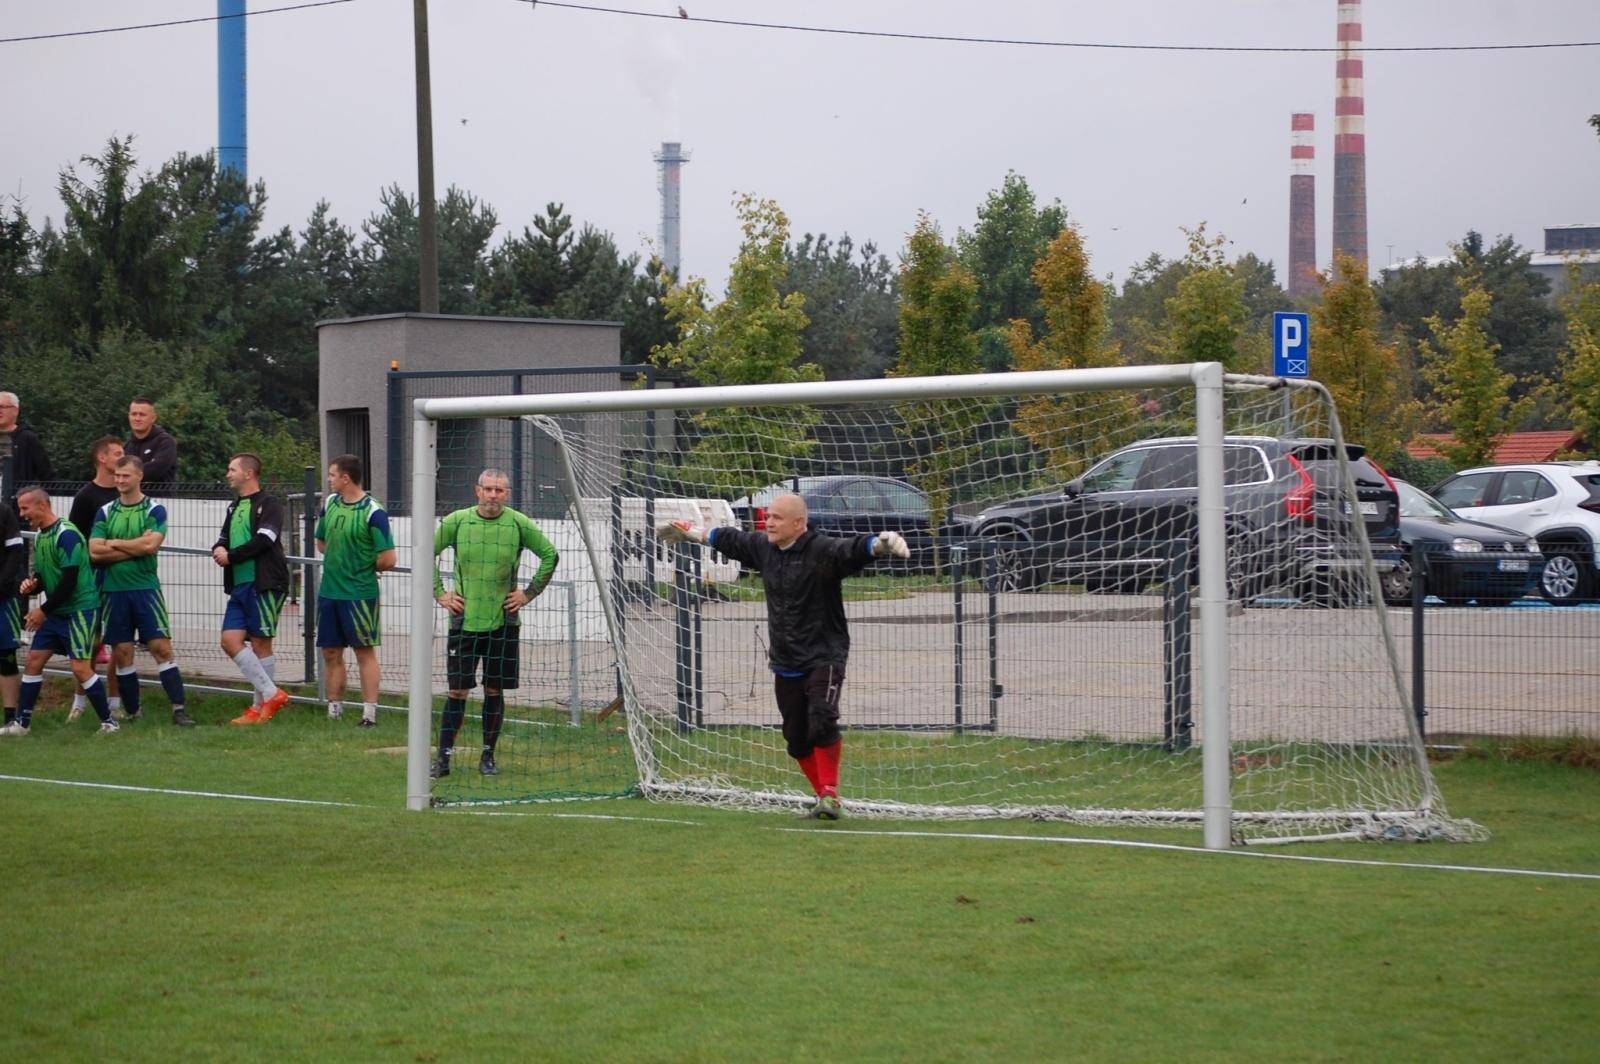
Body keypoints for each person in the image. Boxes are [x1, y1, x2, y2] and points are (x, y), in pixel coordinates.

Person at [656, 493, 908, 819]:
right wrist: (689, 531)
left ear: (798, 523)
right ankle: (825, 799)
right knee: (796, 739)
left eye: (776, 518)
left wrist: (879, 544)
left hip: (824, 655)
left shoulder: (820, 550)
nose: (769, 523)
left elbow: (851, 549)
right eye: (768, 517)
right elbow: (728, 539)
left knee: (822, 719)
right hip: (785, 660)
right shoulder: (764, 548)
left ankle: (830, 793)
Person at [430, 468, 559, 778]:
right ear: (477, 491)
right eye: (488, 489)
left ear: (507, 494)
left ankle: (488, 757)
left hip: (504, 623)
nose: (492, 495)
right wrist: (440, 594)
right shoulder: (457, 521)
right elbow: (426, 554)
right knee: (457, 692)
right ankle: (443, 760)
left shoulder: (517, 523)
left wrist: (527, 594)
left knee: (493, 690)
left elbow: (550, 555)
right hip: (464, 623)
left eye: (499, 490)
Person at [0, 486, 118, 736]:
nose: (22, 514)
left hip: (79, 610)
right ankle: (22, 725)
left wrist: (42, 610)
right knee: (33, 661)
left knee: (80, 668)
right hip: (57, 611)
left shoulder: (67, 534)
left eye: (25, 508)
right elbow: (45, 575)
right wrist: (34, 583)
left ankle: (109, 723)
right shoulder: (42, 535)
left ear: (42, 505)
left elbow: (70, 580)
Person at [89, 456, 195, 727]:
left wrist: (113, 544)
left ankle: (179, 710)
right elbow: (94, 551)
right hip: (113, 592)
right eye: (117, 475)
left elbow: (150, 547)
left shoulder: (154, 509)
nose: (120, 480)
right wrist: (132, 547)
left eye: (126, 475)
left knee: (161, 647)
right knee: (122, 652)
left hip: (146, 589)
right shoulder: (105, 510)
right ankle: (134, 712)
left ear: (139, 477)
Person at [315, 454, 396, 728]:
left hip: (359, 593)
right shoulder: (330, 503)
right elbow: (322, 543)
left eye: (332, 475)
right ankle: (334, 711)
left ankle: (369, 714)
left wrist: (360, 565)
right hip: (330, 592)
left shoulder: (374, 511)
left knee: (364, 652)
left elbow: (388, 558)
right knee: (331, 652)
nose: (329, 480)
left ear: (345, 478)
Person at [212, 453, 291, 725]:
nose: (227, 474)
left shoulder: (269, 504)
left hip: (266, 582)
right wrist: (219, 549)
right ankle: (271, 694)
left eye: (231, 469)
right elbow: (221, 539)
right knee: (229, 641)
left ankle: (258, 709)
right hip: (240, 586)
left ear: (248, 473)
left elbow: (265, 539)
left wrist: (231, 556)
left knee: (260, 643)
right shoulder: (233, 508)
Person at [67, 435, 124, 706]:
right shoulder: (86, 496)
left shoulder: (126, 493)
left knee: (120, 643)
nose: (121, 458)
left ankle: (115, 703)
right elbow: (78, 544)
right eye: (117, 454)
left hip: (122, 577)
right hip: (93, 578)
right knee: (90, 642)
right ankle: (79, 704)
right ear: (102, 458)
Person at [0, 391, 53, 509]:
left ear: (15, 411)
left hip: (17, 508)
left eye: (3, 407)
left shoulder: (27, 438)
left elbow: (46, 473)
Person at [124, 397, 178, 494]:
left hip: (161, 502)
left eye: (142, 415)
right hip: (130, 502)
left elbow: (154, 470)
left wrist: (126, 474)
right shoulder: (127, 445)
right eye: (133, 414)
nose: (137, 418)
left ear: (153, 418)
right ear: (129, 416)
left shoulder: (165, 442)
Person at [0, 501, 23, 725]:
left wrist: (2, 585)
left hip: (4, 599)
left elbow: (16, 552)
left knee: (6, 658)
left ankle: (10, 718)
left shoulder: (4, 512)